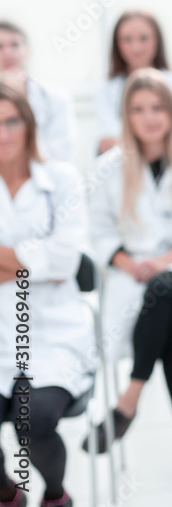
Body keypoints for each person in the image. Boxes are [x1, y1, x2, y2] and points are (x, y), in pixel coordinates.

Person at [86, 69, 172, 486]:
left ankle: (129, 400)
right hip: (130, 274)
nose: (149, 118)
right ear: (126, 115)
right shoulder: (109, 168)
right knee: (169, 314)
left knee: (167, 291)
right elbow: (99, 231)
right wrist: (132, 264)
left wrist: (165, 260)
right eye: (138, 109)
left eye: (158, 108)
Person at [0, 85, 92, 507]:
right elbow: (47, 261)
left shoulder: (62, 179)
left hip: (54, 334)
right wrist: (34, 260)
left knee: (32, 418)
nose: (3, 134)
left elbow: (64, 263)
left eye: (11, 121)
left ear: (29, 124)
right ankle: (7, 492)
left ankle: (56, 496)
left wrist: (11, 262)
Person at [96, 10, 172, 154]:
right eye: (127, 39)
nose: (136, 47)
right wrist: (155, 141)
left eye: (143, 38)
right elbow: (108, 140)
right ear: (117, 44)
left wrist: (132, 143)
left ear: (157, 40)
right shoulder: (107, 89)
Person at [0, 21, 76, 161]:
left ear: (27, 50)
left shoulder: (55, 98)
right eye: (0, 47)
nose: (8, 53)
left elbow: (60, 152)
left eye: (14, 45)